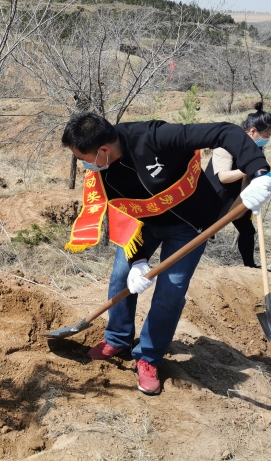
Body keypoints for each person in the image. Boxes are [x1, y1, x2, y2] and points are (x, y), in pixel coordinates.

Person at [62, 112, 271, 395]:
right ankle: (118, 338)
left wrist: (259, 171)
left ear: (103, 150)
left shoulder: (154, 137)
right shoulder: (102, 173)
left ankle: (148, 357)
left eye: (84, 157)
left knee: (170, 291)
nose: (85, 165)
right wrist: (138, 262)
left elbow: (223, 131)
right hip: (144, 226)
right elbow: (121, 215)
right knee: (122, 276)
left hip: (189, 225)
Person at [204, 103, 271, 268]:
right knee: (202, 235)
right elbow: (224, 177)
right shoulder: (226, 145)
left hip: (240, 198)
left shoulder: (256, 149)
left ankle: (250, 267)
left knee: (248, 231)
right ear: (253, 131)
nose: (267, 139)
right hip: (215, 197)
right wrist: (246, 169)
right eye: (267, 134)